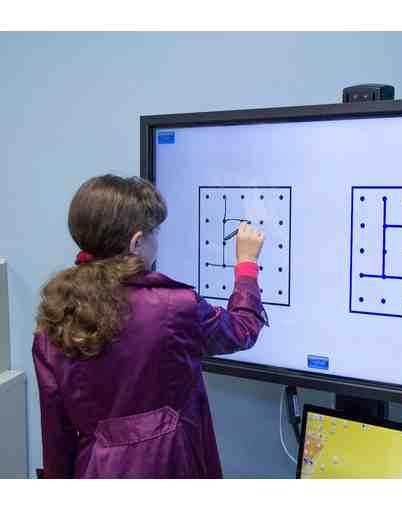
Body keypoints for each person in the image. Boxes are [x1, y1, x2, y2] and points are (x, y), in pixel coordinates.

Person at [32, 174, 268, 478]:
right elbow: (242, 329)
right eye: (155, 232)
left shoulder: (56, 315)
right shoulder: (175, 306)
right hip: (168, 466)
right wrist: (246, 264)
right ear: (137, 243)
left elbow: (56, 436)